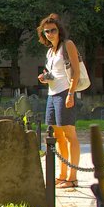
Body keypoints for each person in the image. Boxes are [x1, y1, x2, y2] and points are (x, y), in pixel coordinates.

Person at [37, 13, 81, 188]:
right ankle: (62, 175)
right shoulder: (50, 51)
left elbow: (76, 72)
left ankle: (73, 177)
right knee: (58, 136)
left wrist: (70, 94)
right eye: (46, 31)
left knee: (70, 135)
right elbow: (54, 74)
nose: (50, 34)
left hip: (65, 93)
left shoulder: (67, 45)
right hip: (52, 94)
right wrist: (45, 77)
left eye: (53, 30)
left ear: (59, 30)